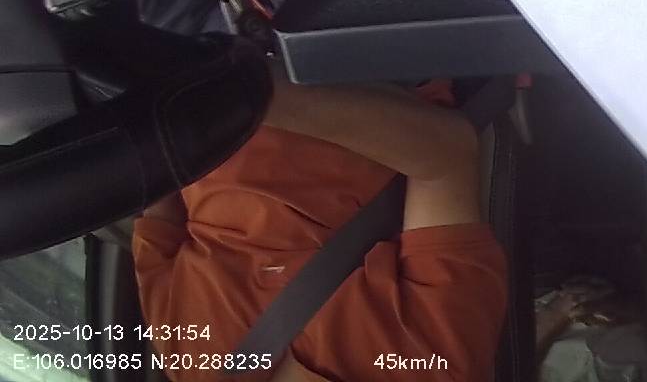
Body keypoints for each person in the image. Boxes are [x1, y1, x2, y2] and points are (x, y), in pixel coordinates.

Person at [132, 73, 508, 381]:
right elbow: (445, 156)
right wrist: (259, 91)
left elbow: (157, 191)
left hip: (197, 78)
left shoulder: (188, 361)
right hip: (364, 64)